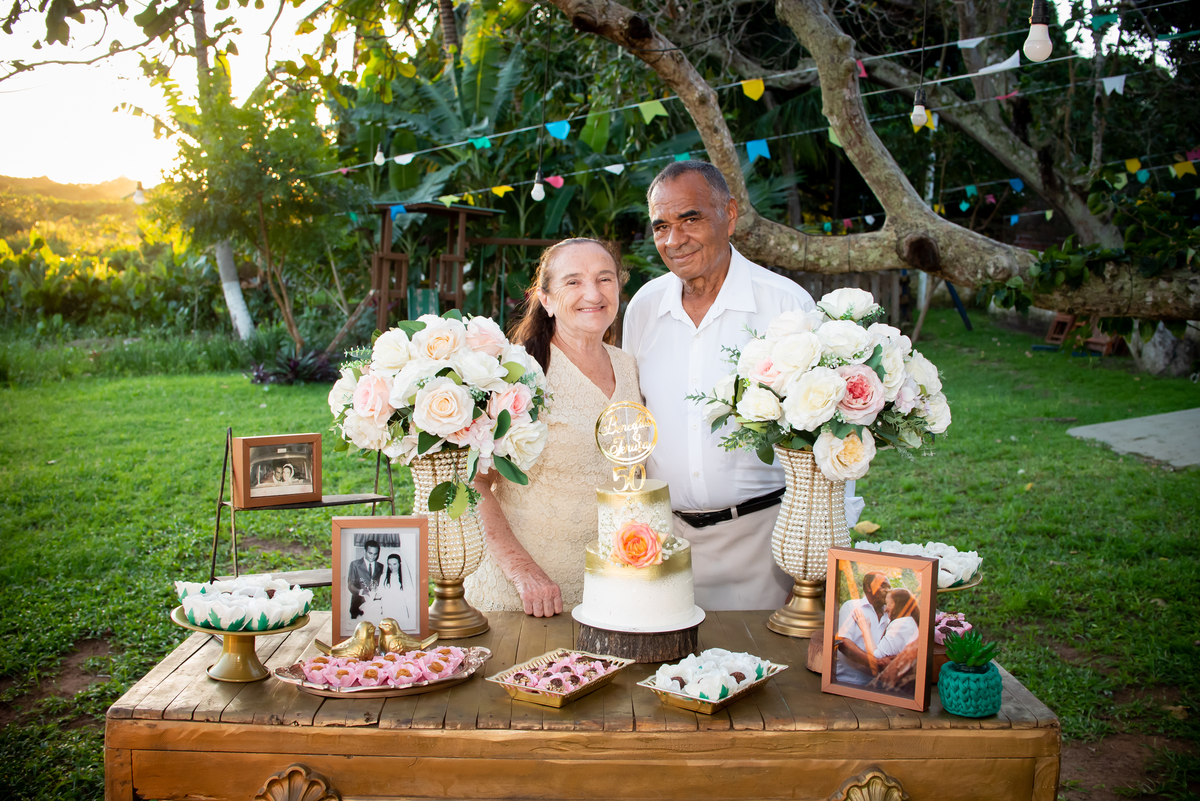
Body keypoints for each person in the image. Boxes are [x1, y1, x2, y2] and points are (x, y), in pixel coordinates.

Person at [622, 160, 864, 610]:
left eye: (690, 219)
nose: (674, 240)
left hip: (768, 544)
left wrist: (816, 556)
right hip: (662, 543)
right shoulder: (643, 308)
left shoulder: (785, 304)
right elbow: (631, 420)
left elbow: (832, 434)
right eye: (661, 226)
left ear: (729, 215)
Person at [465, 239, 642, 617]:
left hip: (610, 588)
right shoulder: (518, 372)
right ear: (544, 298)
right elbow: (473, 483)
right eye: (573, 281)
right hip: (524, 596)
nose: (593, 293)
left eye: (605, 279)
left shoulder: (627, 365)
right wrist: (522, 571)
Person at [844, 587, 921, 677]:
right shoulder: (910, 621)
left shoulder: (900, 624)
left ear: (897, 604)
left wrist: (865, 630)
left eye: (887, 603)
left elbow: (876, 656)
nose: (885, 609)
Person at [832, 572, 891, 685]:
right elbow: (843, 644)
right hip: (848, 681)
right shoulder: (852, 606)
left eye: (889, 587)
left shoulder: (889, 616)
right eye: (883, 585)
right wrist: (876, 663)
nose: (888, 590)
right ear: (869, 586)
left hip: (878, 685)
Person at [371, 552, 416, 631]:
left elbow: (409, 596)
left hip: (400, 608)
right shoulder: (384, 577)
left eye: (394, 564)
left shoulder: (404, 578)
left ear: (399, 564)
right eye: (389, 564)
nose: (392, 567)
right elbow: (380, 593)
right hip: (387, 607)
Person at [346, 540, 383, 620]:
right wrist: (361, 591)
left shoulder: (381, 566)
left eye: (375, 554)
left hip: (374, 607)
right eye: (370, 553)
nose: (373, 556)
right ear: (364, 551)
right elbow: (350, 584)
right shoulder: (355, 564)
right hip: (358, 607)